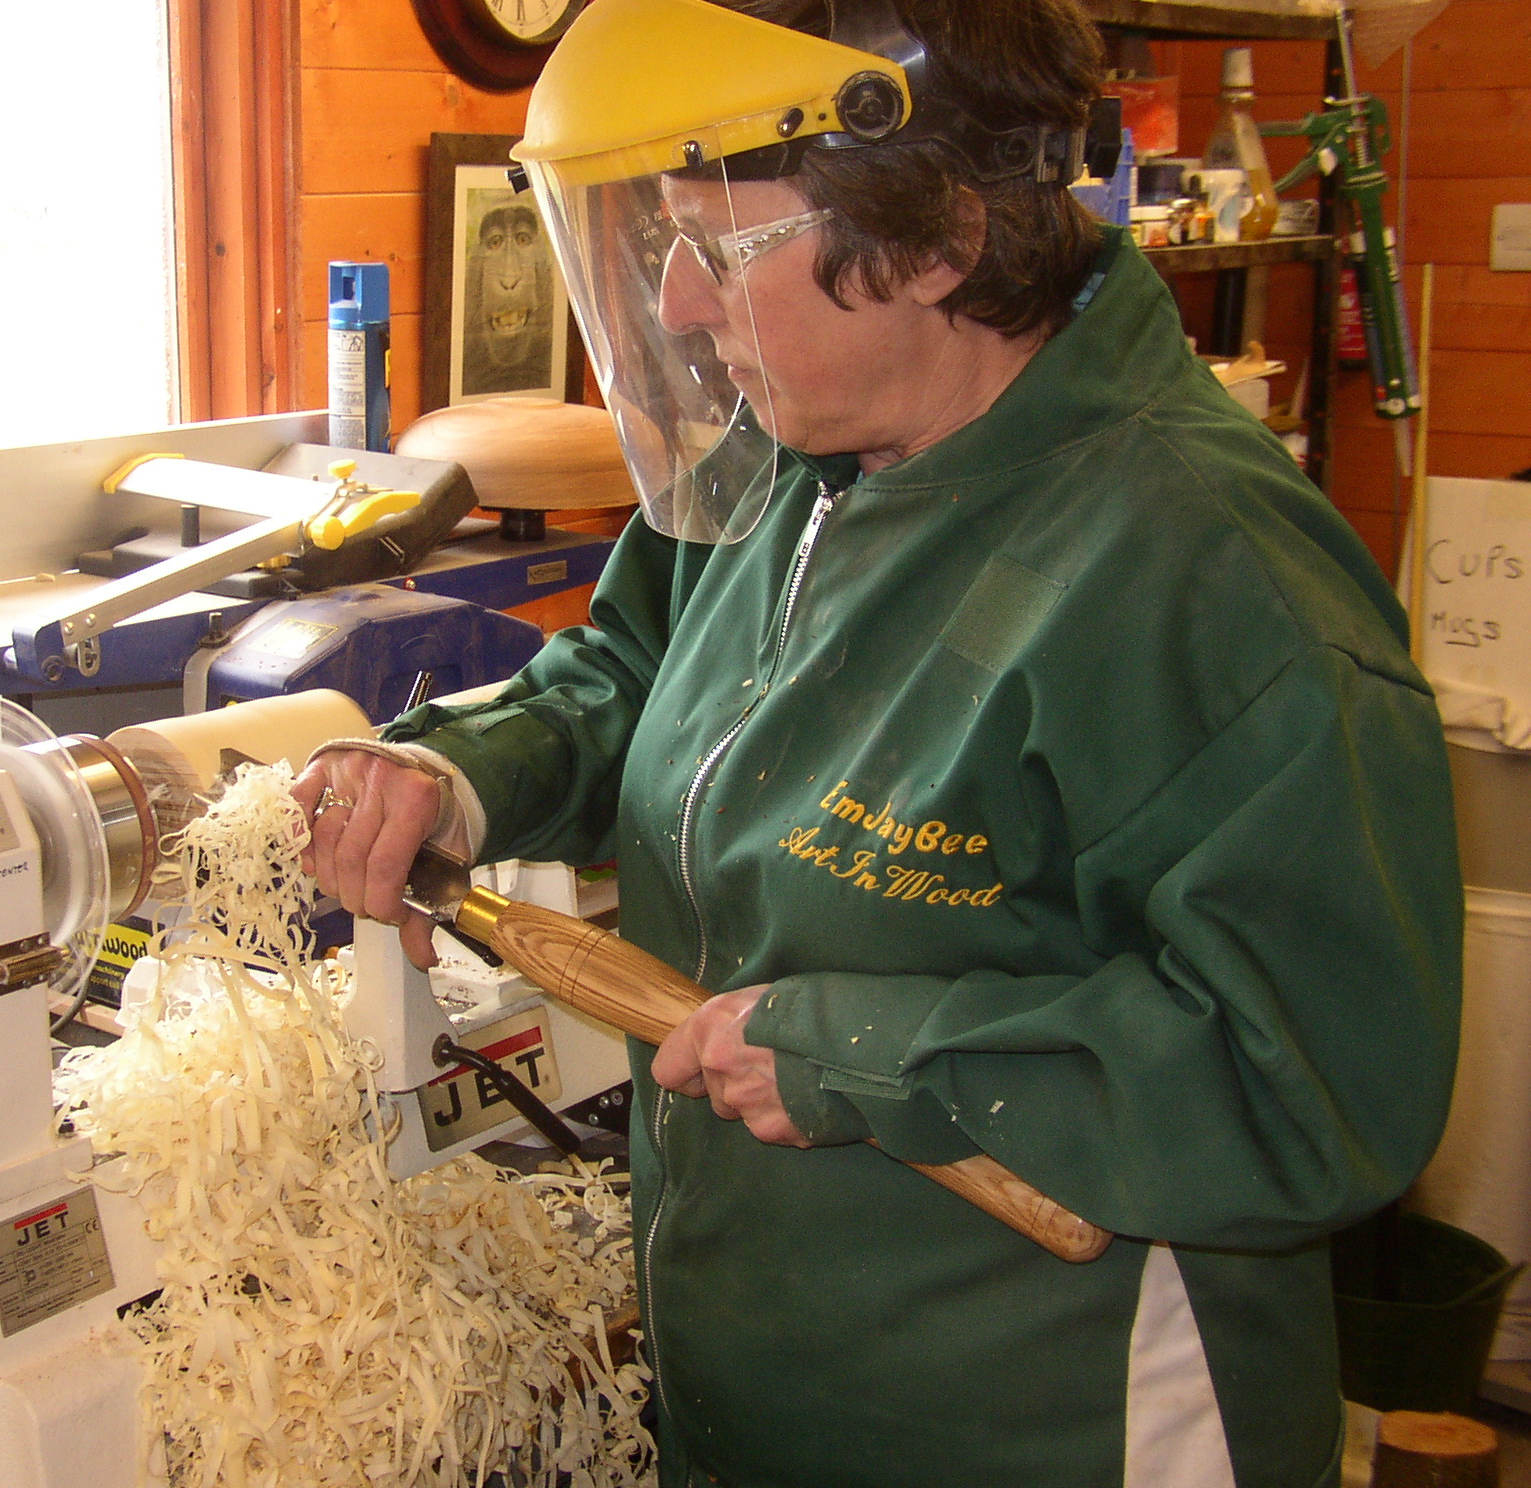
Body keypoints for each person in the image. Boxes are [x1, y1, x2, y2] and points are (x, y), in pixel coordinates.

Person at [293, 0, 1463, 1482]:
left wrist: (878, 1053)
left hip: (1059, 1426)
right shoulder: (791, 465)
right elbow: (636, 677)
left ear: (933, 240)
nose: (673, 305)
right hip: (761, 1398)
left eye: (717, 248)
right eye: (658, 239)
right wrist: (456, 771)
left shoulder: (1213, 579)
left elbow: (1319, 1081)